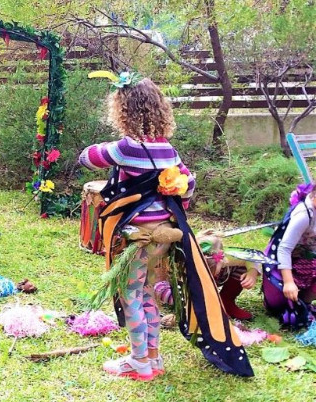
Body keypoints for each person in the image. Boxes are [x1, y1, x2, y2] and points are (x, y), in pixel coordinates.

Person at [80, 72, 252, 379]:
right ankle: (153, 358)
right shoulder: (168, 151)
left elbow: (88, 157)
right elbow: (188, 184)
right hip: (165, 236)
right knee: (147, 293)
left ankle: (138, 361)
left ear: (123, 110)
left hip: (138, 238)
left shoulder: (126, 148)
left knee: (131, 293)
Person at [262, 183, 316, 329]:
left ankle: (305, 302)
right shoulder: (304, 215)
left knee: (300, 305)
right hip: (280, 262)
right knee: (277, 307)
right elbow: (284, 249)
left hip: (307, 260)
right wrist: (288, 282)